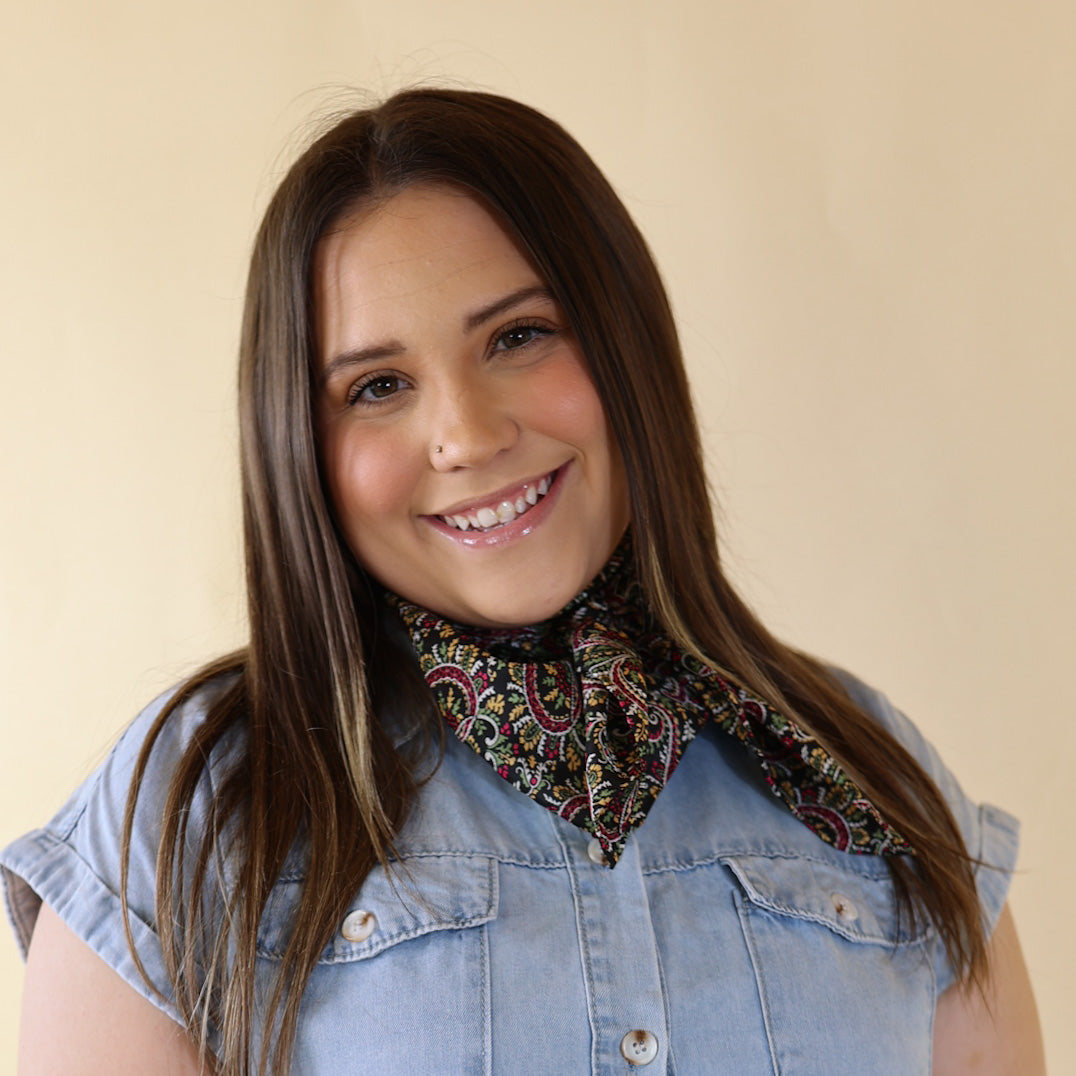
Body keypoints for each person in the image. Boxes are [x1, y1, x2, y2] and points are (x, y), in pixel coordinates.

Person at [2, 88, 1044, 1075]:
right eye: (377, 386)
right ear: (297, 446)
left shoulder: (870, 777)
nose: (465, 433)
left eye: (518, 335)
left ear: (625, 345)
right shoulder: (190, 810)